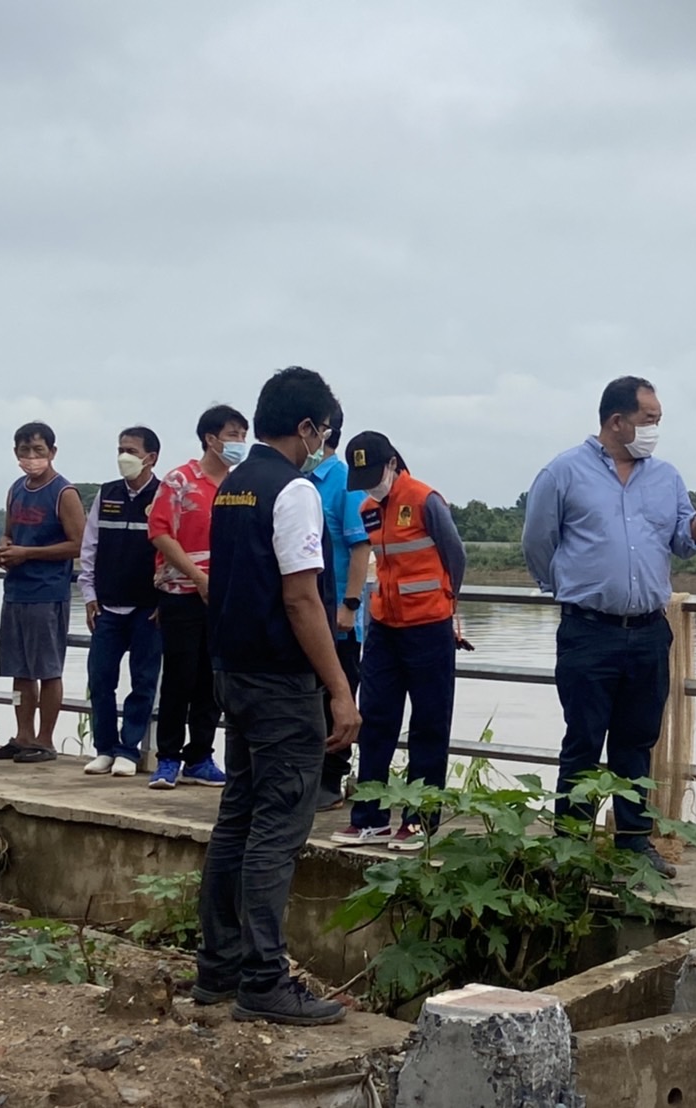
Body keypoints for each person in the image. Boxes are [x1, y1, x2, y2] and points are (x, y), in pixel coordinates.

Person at [194, 365, 361, 1026]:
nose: (324, 443)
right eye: (324, 432)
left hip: (235, 674)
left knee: (237, 818)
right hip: (282, 684)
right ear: (308, 427)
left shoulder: (232, 487)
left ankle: (218, 967)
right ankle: (264, 978)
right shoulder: (294, 491)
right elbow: (301, 598)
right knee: (278, 826)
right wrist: (339, 689)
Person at [522, 376, 696, 877]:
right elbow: (537, 541)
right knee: (582, 740)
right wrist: (567, 586)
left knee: (637, 742)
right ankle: (570, 846)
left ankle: (635, 843)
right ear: (617, 421)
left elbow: (683, 542)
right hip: (588, 631)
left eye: (658, 420)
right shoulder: (562, 472)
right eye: (649, 419)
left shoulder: (665, 477)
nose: (655, 428)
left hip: (648, 631)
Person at [330, 431, 466, 849]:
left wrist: (449, 605)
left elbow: (455, 555)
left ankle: (420, 820)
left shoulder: (425, 500)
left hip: (428, 626)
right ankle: (369, 819)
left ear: (392, 464)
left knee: (428, 724)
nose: (370, 485)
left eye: (374, 475)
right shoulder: (369, 509)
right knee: (375, 722)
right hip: (385, 627)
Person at [147, 405, 249, 789]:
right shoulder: (179, 481)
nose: (240, 442)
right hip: (181, 594)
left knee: (213, 678)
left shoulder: (239, 486)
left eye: (243, 435)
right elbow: (160, 533)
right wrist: (197, 577)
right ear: (211, 438)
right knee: (179, 676)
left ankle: (200, 756)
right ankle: (167, 758)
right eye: (233, 434)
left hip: (224, 598)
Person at [0, 422, 87, 764]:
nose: (31, 457)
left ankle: (45, 740)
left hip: (47, 592)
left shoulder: (63, 493)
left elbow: (79, 544)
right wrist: (6, 549)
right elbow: (8, 533)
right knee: (19, 669)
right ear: (16, 453)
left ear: (52, 452)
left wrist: (28, 554)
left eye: (38, 450)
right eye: (24, 450)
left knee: (48, 668)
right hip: (16, 590)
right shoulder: (16, 489)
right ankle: (22, 735)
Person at [78, 427, 163, 777]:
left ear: (151, 458)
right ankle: (104, 748)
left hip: (148, 609)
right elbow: (90, 547)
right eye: (120, 450)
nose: (123, 457)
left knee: (143, 681)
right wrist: (89, 595)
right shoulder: (107, 493)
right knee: (100, 679)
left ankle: (129, 750)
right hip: (107, 606)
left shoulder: (164, 496)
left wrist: (165, 600)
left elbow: (172, 551)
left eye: (131, 451)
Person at [307, 405, 370, 811]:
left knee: (338, 697)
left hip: (338, 617)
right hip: (305, 612)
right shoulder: (298, 480)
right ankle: (306, 776)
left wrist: (350, 605)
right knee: (307, 700)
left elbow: (361, 546)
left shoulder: (345, 482)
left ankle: (332, 778)